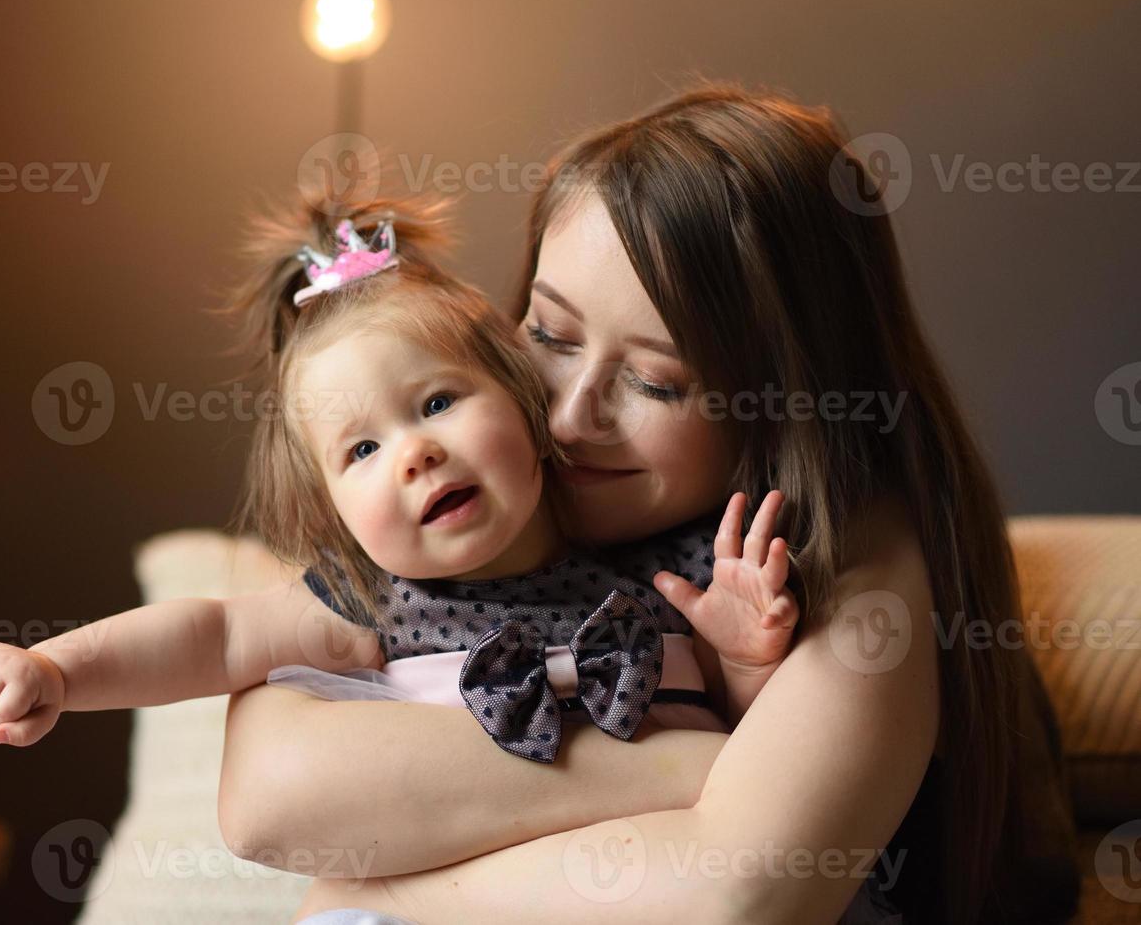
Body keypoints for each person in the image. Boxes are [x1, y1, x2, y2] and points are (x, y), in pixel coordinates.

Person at [217, 86, 1081, 924]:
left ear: (787, 406)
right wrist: (698, 770)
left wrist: (383, 892)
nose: (567, 414)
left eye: (655, 382)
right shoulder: (456, 501)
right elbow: (266, 800)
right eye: (549, 334)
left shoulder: (855, 552)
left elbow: (735, 898)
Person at [0, 192, 799, 768]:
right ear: (332, 514)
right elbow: (207, 637)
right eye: (361, 451)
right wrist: (55, 670)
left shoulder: (662, 565)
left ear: (527, 399)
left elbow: (761, 758)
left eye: (436, 401)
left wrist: (746, 658)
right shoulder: (375, 603)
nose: (412, 454)